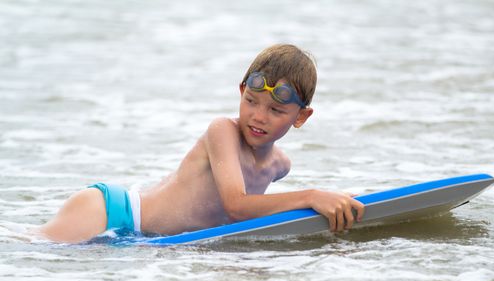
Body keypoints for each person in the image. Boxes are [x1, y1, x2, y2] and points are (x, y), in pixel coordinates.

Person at [39, 44, 365, 243]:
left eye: (276, 110)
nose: (259, 116)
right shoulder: (221, 131)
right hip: (112, 213)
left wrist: (328, 200)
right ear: (241, 93)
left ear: (301, 117)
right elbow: (236, 205)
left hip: (139, 239)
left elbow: (246, 216)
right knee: (27, 252)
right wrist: (312, 196)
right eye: (251, 101)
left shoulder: (280, 166)